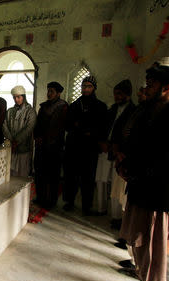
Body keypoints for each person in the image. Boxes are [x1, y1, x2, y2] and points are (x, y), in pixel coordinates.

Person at [117, 58, 169, 281]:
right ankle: (141, 276)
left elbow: (161, 157)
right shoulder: (153, 109)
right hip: (141, 185)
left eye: (152, 83)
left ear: (168, 87)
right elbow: (138, 144)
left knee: (153, 249)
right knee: (138, 240)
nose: (146, 87)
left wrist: (134, 169)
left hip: (157, 192)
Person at [63, 76, 107, 215]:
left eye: (89, 86)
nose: (86, 89)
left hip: (89, 149)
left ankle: (86, 205)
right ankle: (69, 201)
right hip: (74, 147)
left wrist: (82, 127)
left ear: (94, 88)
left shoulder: (100, 106)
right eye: (84, 86)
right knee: (71, 176)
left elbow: (100, 127)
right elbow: (68, 124)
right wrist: (83, 127)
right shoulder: (75, 105)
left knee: (88, 178)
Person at [96, 79, 136, 219]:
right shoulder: (112, 109)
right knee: (100, 179)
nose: (116, 97)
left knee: (116, 185)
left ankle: (116, 217)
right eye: (115, 94)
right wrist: (101, 142)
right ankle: (101, 209)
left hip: (119, 152)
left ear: (127, 94)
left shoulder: (133, 111)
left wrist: (118, 146)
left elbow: (130, 134)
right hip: (105, 149)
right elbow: (102, 128)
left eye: (119, 94)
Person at [33, 82, 68, 209]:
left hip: (54, 147)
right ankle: (40, 197)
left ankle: (51, 200)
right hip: (41, 146)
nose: (49, 93)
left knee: (52, 174)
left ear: (58, 93)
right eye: (48, 91)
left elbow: (59, 128)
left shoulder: (63, 107)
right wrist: (37, 137)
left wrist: (48, 139)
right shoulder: (43, 107)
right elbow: (37, 126)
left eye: (51, 91)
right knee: (40, 172)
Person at [2, 85, 36, 177]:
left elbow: (29, 128)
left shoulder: (30, 111)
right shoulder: (10, 111)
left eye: (18, 97)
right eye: (14, 97)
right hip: (11, 148)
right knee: (10, 173)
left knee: (22, 173)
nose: (16, 99)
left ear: (23, 97)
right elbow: (4, 126)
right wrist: (11, 140)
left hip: (23, 148)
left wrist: (17, 141)